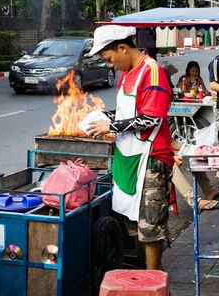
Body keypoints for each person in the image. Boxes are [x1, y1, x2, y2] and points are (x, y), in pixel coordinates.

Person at [85, 25, 172, 270]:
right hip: (129, 156)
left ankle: (153, 280)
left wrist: (111, 125)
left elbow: (151, 118)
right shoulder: (127, 74)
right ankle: (154, 276)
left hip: (151, 158)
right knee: (134, 222)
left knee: (150, 227)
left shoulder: (151, 71)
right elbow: (128, 113)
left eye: (109, 59)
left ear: (122, 48)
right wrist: (103, 117)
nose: (110, 65)